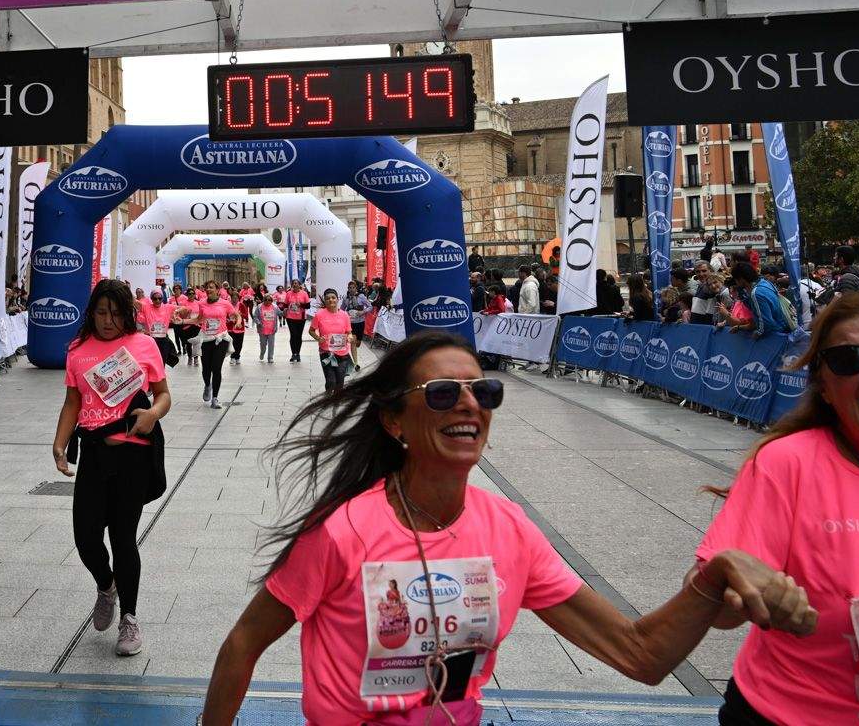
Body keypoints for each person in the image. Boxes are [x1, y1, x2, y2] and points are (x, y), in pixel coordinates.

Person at [198, 331, 816, 726]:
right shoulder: (342, 532)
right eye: (442, 394)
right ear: (394, 421)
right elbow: (242, 644)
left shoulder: (509, 530)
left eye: (483, 391)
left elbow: (640, 654)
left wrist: (718, 574)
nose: (468, 405)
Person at [697, 292, 859, 724]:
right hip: (788, 715)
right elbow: (716, 602)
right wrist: (729, 585)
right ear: (824, 388)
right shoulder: (786, 463)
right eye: (849, 359)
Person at [52, 280, 171, 658]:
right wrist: (59, 443)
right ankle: (106, 586)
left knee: (123, 539)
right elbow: (72, 401)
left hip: (133, 454)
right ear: (91, 313)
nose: (108, 321)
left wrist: (153, 413)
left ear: (127, 314)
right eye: (101, 313)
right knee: (86, 538)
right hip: (93, 453)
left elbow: (163, 394)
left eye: (116, 314)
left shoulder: (144, 345)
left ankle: (130, 619)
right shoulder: (78, 350)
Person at [185, 281, 235, 409]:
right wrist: (183, 321)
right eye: (207, 287)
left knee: (216, 368)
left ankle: (215, 398)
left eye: (211, 287)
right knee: (206, 369)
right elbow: (198, 319)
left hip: (221, 338)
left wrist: (238, 321)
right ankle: (208, 385)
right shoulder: (201, 303)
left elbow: (235, 314)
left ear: (217, 290)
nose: (208, 289)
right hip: (206, 339)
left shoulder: (225, 303)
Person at [728, 262, 793, 339]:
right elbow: (755, 311)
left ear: (741, 279)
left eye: (736, 279)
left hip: (775, 335)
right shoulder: (765, 283)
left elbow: (765, 322)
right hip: (783, 330)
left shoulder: (756, 293)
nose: (736, 283)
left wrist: (757, 334)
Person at [309, 289, 355, 392]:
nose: (331, 300)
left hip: (342, 353)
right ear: (325, 301)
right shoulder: (319, 315)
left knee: (340, 381)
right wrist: (318, 338)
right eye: (328, 298)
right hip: (326, 353)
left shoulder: (344, 315)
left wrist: (350, 337)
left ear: (337, 299)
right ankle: (328, 398)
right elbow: (311, 331)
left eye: (333, 298)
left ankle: (336, 402)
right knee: (331, 381)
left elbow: (349, 332)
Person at [283, 281, 311, 363]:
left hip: (301, 318)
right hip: (290, 317)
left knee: (299, 336)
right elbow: (285, 304)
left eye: (296, 283)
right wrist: (284, 309)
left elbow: (308, 306)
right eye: (293, 283)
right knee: (293, 334)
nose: (294, 284)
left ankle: (297, 353)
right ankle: (293, 353)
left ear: (299, 285)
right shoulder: (288, 293)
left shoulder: (304, 293)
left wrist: (301, 305)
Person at [343, 280, 370, 347]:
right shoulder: (345, 298)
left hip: (360, 322)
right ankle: (352, 354)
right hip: (350, 323)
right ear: (348, 289)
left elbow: (370, 306)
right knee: (352, 342)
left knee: (358, 343)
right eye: (350, 288)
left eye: (353, 287)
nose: (351, 289)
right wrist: (346, 313)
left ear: (356, 288)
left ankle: (354, 349)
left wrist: (363, 311)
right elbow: (342, 309)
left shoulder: (361, 296)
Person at [256, 293, 280, 363]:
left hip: (272, 329)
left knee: (271, 344)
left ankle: (270, 357)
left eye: (269, 300)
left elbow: (280, 313)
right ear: (263, 300)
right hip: (262, 329)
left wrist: (285, 311)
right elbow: (255, 316)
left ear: (271, 300)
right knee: (263, 344)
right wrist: (258, 323)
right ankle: (262, 353)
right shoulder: (259, 307)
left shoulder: (275, 307)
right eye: (266, 300)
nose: (267, 301)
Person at [227, 296, 247, 365]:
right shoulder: (228, 305)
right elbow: (225, 314)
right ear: (231, 299)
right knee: (233, 343)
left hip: (240, 327)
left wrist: (241, 314)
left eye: (236, 298)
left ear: (238, 299)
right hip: (230, 327)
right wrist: (228, 319)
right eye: (233, 298)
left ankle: (237, 357)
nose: (234, 300)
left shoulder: (241, 305)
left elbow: (246, 315)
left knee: (239, 344)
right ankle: (232, 357)